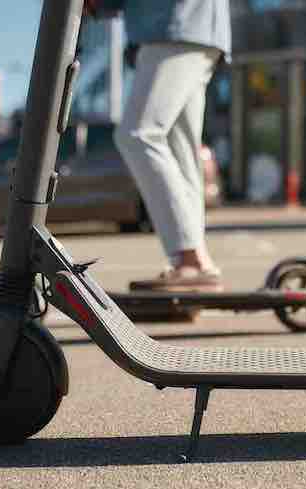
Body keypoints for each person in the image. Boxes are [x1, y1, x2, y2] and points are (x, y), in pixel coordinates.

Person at [86, 0, 230, 291]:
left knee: (138, 134)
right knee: (180, 150)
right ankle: (195, 265)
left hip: (174, 23)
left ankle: (191, 259)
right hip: (192, 27)